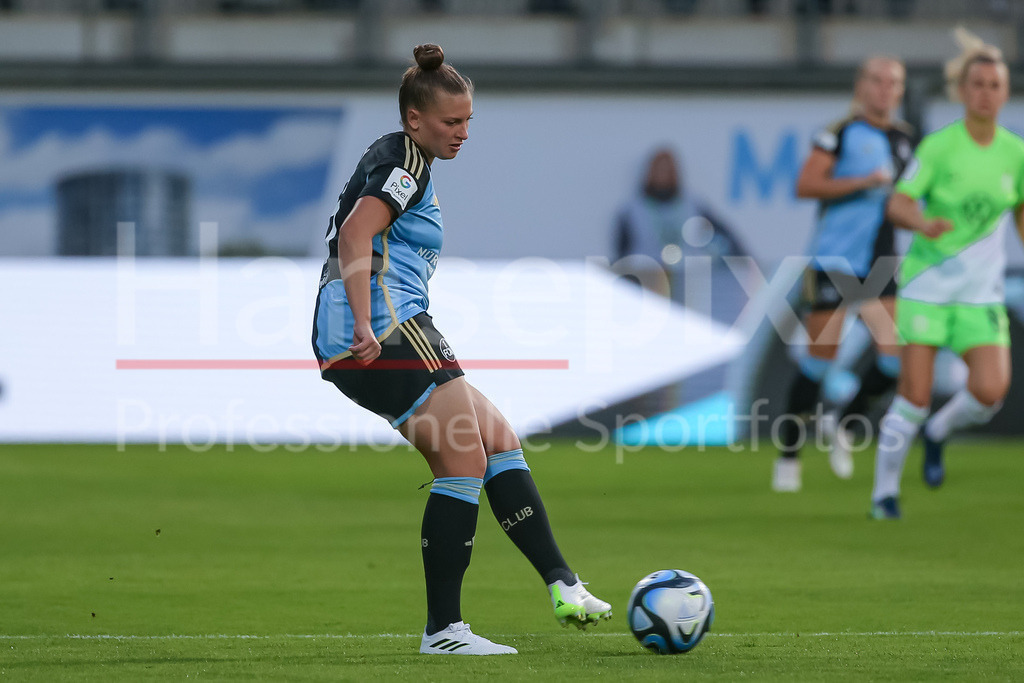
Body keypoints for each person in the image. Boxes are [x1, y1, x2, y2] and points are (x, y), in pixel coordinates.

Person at [310, 44, 611, 655]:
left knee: (496, 438)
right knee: (463, 461)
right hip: (384, 328)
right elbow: (356, 232)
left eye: (469, 120)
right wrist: (366, 323)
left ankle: (564, 584)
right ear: (415, 119)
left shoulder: (399, 154)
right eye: (453, 122)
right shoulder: (407, 166)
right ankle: (444, 631)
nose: (464, 132)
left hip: (384, 324)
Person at [869, 28, 1024, 519]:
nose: (986, 93)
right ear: (962, 91)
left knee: (990, 392)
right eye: (977, 84)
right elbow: (897, 203)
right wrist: (921, 221)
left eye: (995, 85)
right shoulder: (939, 148)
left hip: (980, 295)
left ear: (1005, 92)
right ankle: (884, 495)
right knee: (912, 397)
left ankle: (939, 434)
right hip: (928, 289)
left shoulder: (1015, 154)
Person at [772, 56, 915, 492]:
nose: (884, 89)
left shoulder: (907, 141)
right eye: (876, 80)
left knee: (894, 358)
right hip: (834, 261)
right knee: (820, 360)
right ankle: (789, 453)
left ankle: (846, 425)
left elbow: (902, 202)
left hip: (879, 262)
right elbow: (806, 185)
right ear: (861, 85)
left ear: (900, 90)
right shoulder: (838, 133)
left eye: (893, 82)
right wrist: (861, 183)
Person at [613, 147, 745, 303]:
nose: (663, 175)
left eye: (667, 170)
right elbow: (623, 254)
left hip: (690, 283)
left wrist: (740, 262)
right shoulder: (632, 210)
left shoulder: (694, 205)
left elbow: (724, 237)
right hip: (646, 281)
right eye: (658, 170)